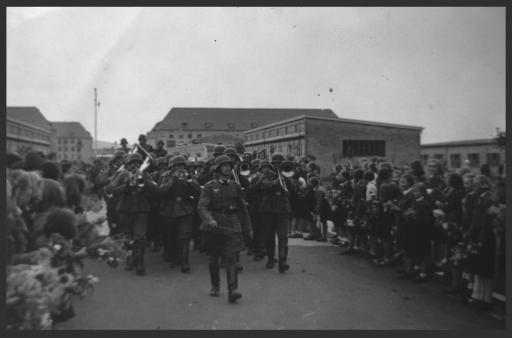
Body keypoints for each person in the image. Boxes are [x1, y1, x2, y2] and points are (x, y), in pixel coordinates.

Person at [198, 155, 252, 303]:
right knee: (214, 259)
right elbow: (202, 207)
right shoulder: (209, 186)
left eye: (229, 165)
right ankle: (215, 285)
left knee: (231, 258)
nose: (227, 168)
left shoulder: (235, 186)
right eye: (224, 165)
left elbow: (243, 210)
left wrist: (248, 229)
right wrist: (210, 220)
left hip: (231, 226)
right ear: (218, 168)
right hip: (214, 227)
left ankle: (232, 290)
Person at [105, 153, 156, 275]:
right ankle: (129, 258)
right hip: (125, 209)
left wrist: (144, 180)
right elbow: (110, 189)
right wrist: (125, 186)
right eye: (132, 163)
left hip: (140, 210)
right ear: (127, 165)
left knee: (140, 237)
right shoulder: (122, 175)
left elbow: (155, 188)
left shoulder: (144, 174)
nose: (135, 165)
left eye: (138, 163)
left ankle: (140, 263)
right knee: (127, 237)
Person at [157, 156, 201, 272]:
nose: (180, 168)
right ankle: (173, 258)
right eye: (177, 166)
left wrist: (189, 180)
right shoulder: (165, 176)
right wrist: (172, 180)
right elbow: (160, 191)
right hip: (169, 209)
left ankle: (184, 261)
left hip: (185, 208)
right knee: (171, 236)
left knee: (184, 237)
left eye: (182, 166)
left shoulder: (189, 176)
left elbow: (198, 190)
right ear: (172, 167)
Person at [255, 153, 295, 272]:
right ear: (272, 165)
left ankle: (282, 261)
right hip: (268, 209)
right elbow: (265, 186)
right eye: (275, 164)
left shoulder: (287, 175)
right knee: (269, 237)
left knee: (283, 236)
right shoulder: (266, 174)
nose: (277, 166)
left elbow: (293, 190)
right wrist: (278, 180)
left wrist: (286, 178)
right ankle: (271, 259)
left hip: (283, 210)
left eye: (279, 164)